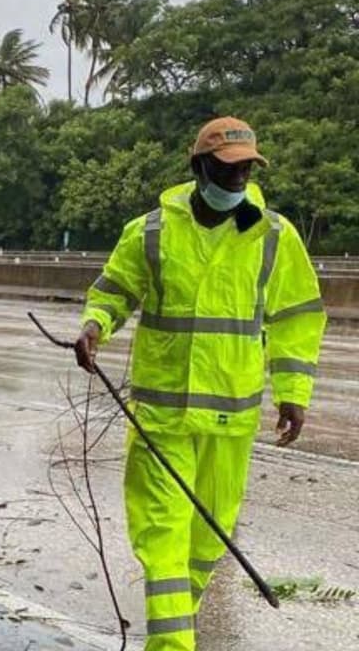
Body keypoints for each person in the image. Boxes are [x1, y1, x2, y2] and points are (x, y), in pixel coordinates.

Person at [73, 117, 326, 651]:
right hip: (161, 417)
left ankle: (173, 630)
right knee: (163, 536)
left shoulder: (274, 235)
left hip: (230, 420)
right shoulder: (151, 231)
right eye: (227, 170)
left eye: (247, 171)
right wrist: (96, 324)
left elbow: (298, 316)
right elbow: (115, 289)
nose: (237, 181)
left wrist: (294, 392)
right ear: (199, 167)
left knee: (205, 544)